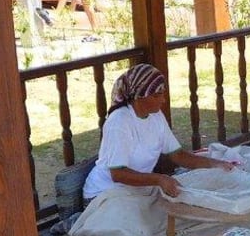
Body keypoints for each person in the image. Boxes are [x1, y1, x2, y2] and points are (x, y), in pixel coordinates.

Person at [82, 64, 233, 204]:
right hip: (104, 194)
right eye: (157, 95)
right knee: (151, 219)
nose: (163, 100)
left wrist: (216, 164)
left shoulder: (156, 116)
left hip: (136, 191)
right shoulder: (120, 121)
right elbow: (118, 174)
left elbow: (178, 155)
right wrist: (159, 179)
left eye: (163, 94)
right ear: (139, 96)